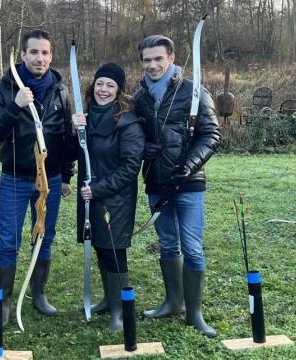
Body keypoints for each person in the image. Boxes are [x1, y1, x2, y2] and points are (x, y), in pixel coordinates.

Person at [0, 29, 75, 328]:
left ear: (51, 55)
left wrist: (66, 176)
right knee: (8, 240)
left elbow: (65, 137)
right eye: (34, 52)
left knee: (44, 237)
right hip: (15, 177)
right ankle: (7, 300)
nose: (40, 58)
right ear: (23, 55)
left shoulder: (60, 90)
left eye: (45, 53)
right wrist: (16, 105)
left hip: (50, 180)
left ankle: (38, 294)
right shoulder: (4, 89)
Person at [134, 35, 221, 338]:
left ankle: (194, 313)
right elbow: (133, 135)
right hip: (157, 183)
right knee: (168, 244)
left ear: (171, 58)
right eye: (147, 60)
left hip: (189, 184)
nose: (153, 65)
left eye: (158, 58)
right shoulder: (140, 96)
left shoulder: (194, 92)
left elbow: (211, 135)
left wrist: (189, 166)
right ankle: (173, 303)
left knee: (192, 248)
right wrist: (144, 149)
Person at [71, 63, 144, 332]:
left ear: (119, 91)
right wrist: (73, 127)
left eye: (110, 85)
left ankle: (121, 311)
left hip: (115, 198)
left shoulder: (128, 122)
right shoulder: (87, 118)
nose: (103, 90)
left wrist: (99, 189)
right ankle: (108, 299)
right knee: (101, 247)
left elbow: (130, 168)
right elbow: (75, 152)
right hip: (91, 195)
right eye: (100, 84)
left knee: (114, 251)